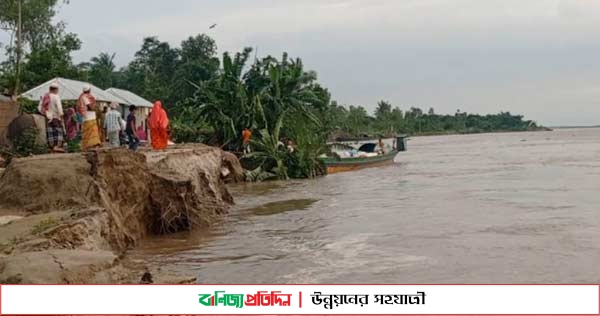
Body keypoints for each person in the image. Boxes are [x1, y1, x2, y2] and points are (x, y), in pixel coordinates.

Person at [38, 82, 65, 152]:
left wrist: (45, 114)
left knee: (50, 132)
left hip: (47, 117)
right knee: (58, 131)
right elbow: (59, 108)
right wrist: (61, 117)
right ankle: (56, 146)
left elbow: (39, 107)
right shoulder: (56, 96)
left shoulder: (45, 96)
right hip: (55, 117)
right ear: (55, 89)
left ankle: (51, 147)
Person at [78, 85, 101, 150]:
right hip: (89, 117)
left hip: (89, 117)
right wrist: (94, 107)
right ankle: (90, 146)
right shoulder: (84, 97)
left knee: (90, 132)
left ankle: (91, 146)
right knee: (91, 131)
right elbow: (90, 107)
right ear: (89, 90)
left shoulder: (83, 96)